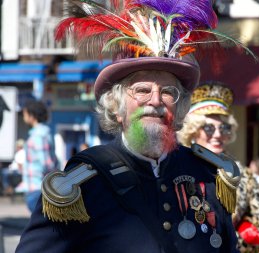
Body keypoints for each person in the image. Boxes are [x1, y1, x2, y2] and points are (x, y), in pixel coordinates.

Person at [16, 1, 243, 252]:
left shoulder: (209, 176)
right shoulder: (84, 184)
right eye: (142, 90)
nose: (155, 101)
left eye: (168, 92)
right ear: (117, 107)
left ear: (179, 108)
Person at [177, 82, 259, 252]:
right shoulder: (175, 167)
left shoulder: (242, 174)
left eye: (224, 128)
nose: (218, 134)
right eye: (209, 128)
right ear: (193, 130)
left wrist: (230, 240)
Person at [19, 100, 58, 212]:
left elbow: (47, 164)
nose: (24, 117)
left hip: (38, 188)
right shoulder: (42, 134)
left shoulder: (38, 135)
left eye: (25, 114)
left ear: (32, 116)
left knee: (40, 227)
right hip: (40, 189)